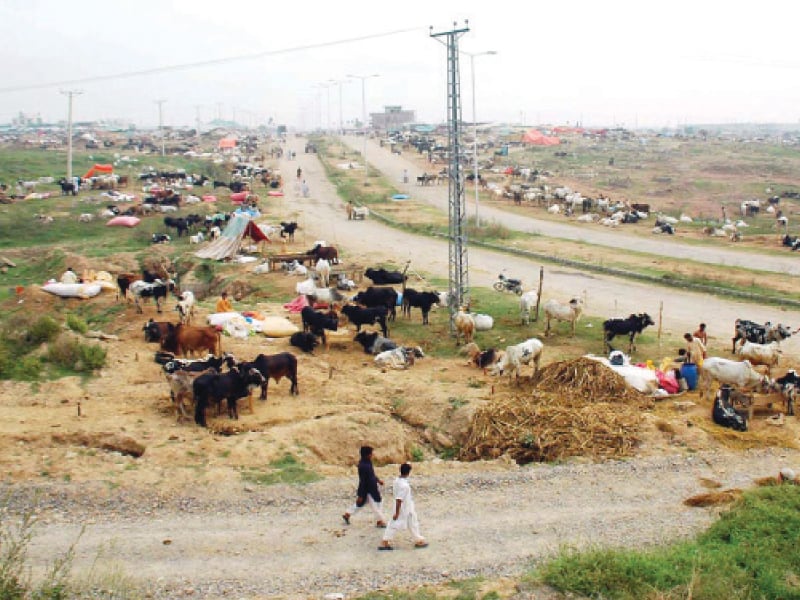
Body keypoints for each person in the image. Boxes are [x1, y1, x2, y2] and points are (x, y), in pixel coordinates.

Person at [378, 463, 427, 550]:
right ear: (408, 472)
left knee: (412, 523)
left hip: (407, 507)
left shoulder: (397, 480)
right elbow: (399, 499)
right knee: (395, 523)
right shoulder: (404, 486)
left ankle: (418, 539)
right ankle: (385, 541)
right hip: (403, 508)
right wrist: (397, 512)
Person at [342, 446, 386, 528]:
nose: (372, 455)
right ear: (367, 455)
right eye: (371, 454)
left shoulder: (368, 462)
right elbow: (363, 481)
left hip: (373, 487)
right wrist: (361, 495)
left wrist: (378, 480)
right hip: (369, 489)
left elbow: (372, 475)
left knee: (362, 504)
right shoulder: (362, 466)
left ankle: (347, 514)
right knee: (376, 505)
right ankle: (380, 521)